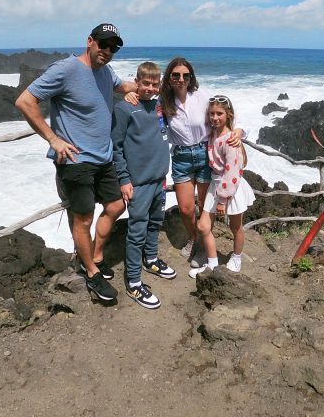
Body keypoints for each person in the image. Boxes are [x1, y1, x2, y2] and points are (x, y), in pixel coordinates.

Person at [15, 23, 136, 303]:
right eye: (103, 44)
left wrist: (144, 88)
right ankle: (91, 272)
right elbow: (25, 101)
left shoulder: (105, 72)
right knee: (83, 218)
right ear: (90, 41)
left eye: (113, 48)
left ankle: (92, 255)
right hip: (76, 160)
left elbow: (122, 86)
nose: (108, 51)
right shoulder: (66, 69)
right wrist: (53, 139)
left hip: (103, 157)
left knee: (117, 205)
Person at [158, 58, 244, 268]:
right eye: (176, 75)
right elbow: (142, 91)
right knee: (186, 209)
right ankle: (195, 239)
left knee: (205, 206)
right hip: (181, 157)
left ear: (191, 77)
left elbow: (224, 114)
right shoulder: (163, 100)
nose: (181, 79)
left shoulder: (202, 97)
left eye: (185, 75)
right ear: (169, 78)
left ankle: (206, 247)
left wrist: (240, 131)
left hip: (205, 154)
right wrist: (131, 93)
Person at [111, 61, 176, 310]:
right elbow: (116, 148)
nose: (150, 88)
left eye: (154, 84)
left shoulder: (160, 105)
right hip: (137, 183)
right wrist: (124, 181)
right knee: (136, 231)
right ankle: (134, 282)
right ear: (136, 82)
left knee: (154, 223)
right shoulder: (126, 108)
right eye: (145, 83)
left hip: (159, 179)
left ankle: (151, 259)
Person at [189, 95, 254, 278]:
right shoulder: (214, 132)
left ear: (228, 115)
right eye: (212, 114)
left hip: (229, 187)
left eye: (219, 114)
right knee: (203, 226)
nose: (215, 118)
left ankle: (237, 258)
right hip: (216, 185)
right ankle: (212, 264)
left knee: (236, 226)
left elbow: (232, 172)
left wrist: (222, 201)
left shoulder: (230, 140)